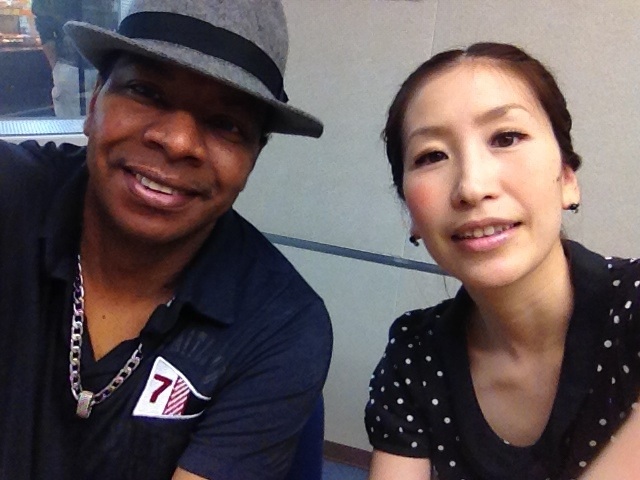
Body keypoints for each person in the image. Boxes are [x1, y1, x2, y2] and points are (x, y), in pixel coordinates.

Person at [0, 1, 332, 479]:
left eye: (226, 124)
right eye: (147, 91)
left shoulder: (281, 323)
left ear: (253, 158)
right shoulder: (11, 198)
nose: (177, 142)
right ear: (94, 104)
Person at [364, 42, 640, 480]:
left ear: (567, 178)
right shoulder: (415, 354)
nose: (472, 187)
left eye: (506, 138)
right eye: (432, 156)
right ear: (411, 215)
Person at [31, 0, 117, 116]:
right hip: (92, 67)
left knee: (71, 124)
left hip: (84, 68)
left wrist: (57, 68)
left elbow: (45, 31)